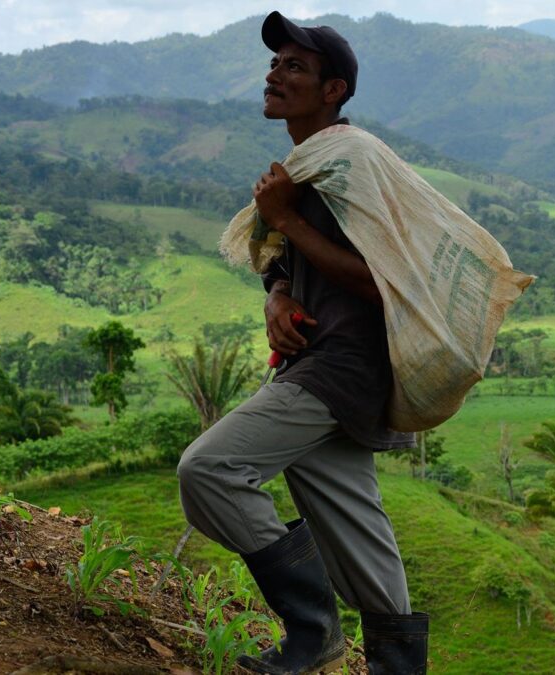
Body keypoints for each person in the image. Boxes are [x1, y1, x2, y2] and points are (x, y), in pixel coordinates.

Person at [177, 11, 427, 674]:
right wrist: (279, 296)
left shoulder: (353, 162)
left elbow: (386, 280)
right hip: (323, 364)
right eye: (274, 62)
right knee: (357, 532)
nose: (274, 74)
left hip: (342, 366)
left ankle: (314, 631)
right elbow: (283, 256)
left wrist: (284, 214)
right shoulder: (307, 165)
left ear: (333, 90)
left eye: (294, 66)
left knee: (209, 470)